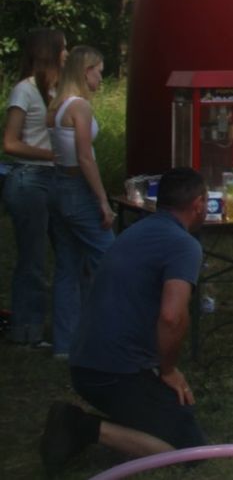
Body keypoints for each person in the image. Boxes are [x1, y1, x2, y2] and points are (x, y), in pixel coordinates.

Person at [40, 168, 210, 475]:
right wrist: (168, 370)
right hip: (114, 372)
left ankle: (128, 418)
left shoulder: (136, 230)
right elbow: (172, 317)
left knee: (178, 412)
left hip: (86, 361)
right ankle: (82, 427)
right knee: (190, 452)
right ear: (198, 204)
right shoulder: (183, 245)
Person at [46, 46, 116, 359]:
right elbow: (86, 157)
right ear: (85, 71)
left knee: (68, 266)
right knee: (111, 259)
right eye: (98, 71)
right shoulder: (79, 107)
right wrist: (102, 200)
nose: (101, 77)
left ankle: (65, 343)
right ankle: (109, 334)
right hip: (77, 188)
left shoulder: (56, 105)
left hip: (58, 184)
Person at [4, 28, 66, 349]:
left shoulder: (58, 90)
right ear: (49, 52)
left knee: (68, 252)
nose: (67, 53)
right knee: (34, 259)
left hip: (57, 179)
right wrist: (51, 155)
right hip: (29, 179)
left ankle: (65, 326)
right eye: (63, 48)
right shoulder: (24, 90)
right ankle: (26, 330)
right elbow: (10, 143)